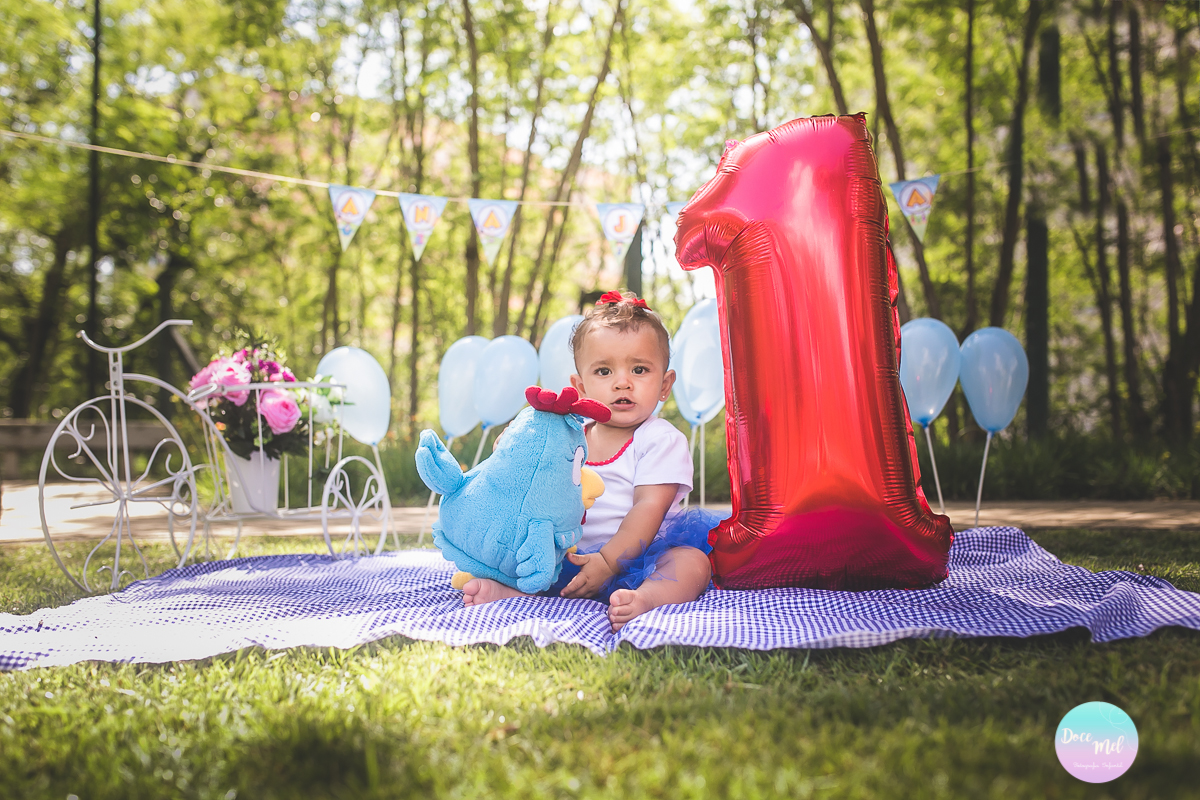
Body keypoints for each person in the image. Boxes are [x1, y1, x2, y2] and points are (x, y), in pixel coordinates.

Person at [462, 290, 724, 632]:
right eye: (604, 371)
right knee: (525, 549)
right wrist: (513, 448)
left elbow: (649, 507)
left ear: (665, 384)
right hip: (567, 556)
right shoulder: (569, 435)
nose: (622, 382)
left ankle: (646, 598)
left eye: (639, 369)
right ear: (581, 387)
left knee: (692, 562)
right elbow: (531, 476)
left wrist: (609, 561)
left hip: (638, 557)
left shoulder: (660, 439)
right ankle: (511, 591)